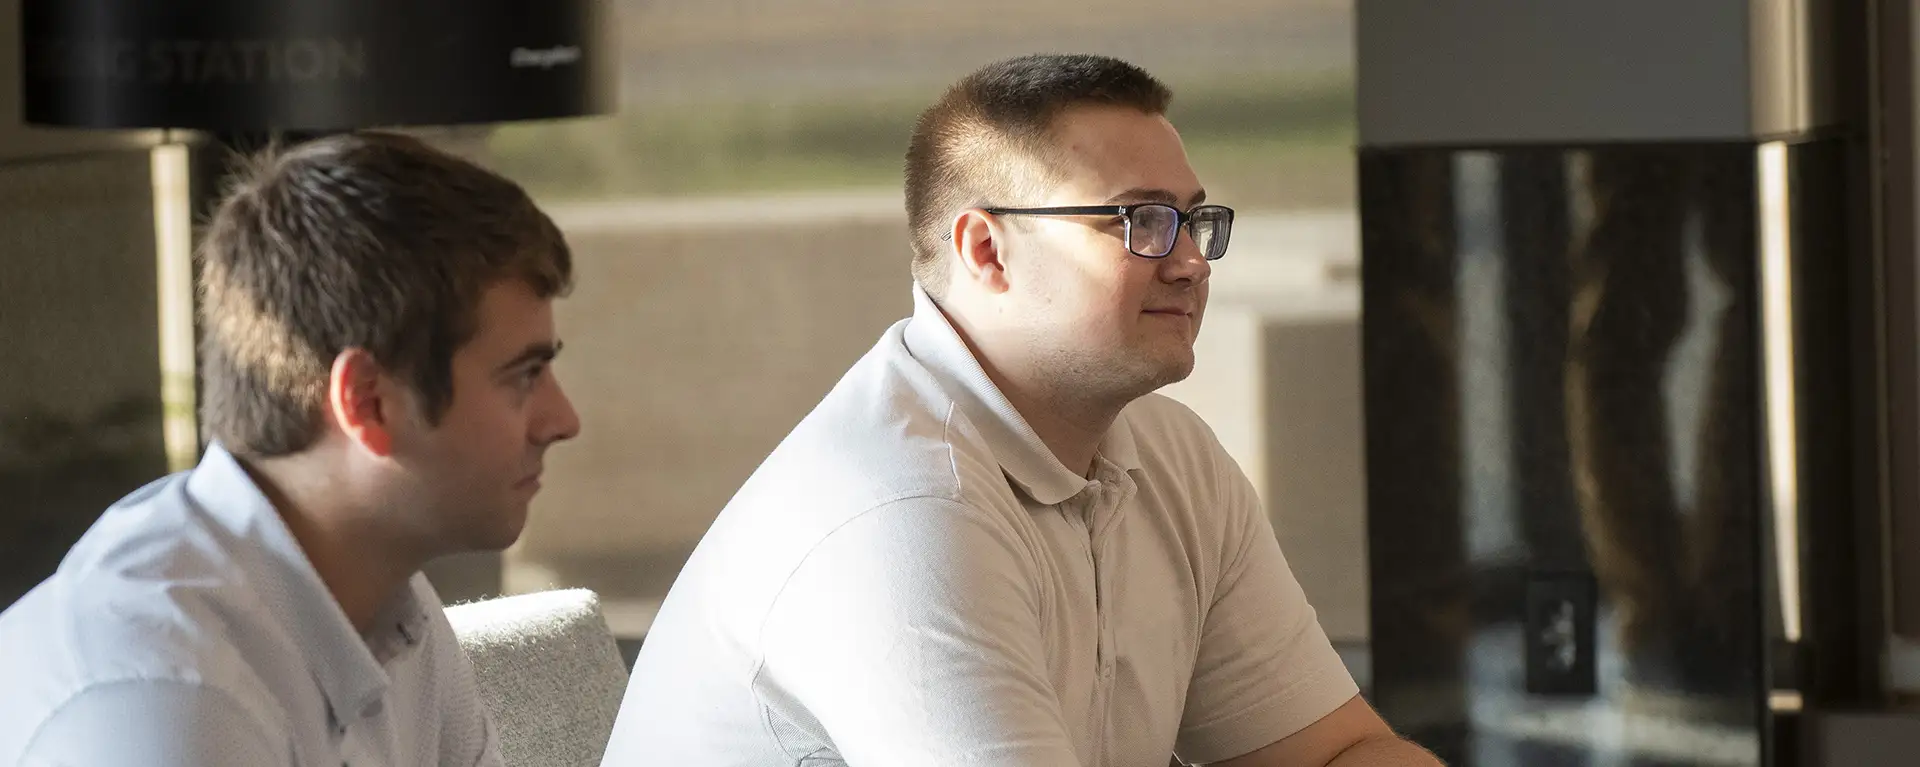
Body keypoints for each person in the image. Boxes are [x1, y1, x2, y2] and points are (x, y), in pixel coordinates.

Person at [604, 54, 1439, 766]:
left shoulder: (1172, 456)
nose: (1190, 261)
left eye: (1192, 219)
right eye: (1141, 220)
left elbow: (1338, 752)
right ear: (986, 250)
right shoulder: (903, 510)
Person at [0, 131, 582, 766]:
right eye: (523, 376)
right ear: (367, 402)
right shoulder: (165, 704)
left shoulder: (392, 603)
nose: (563, 419)